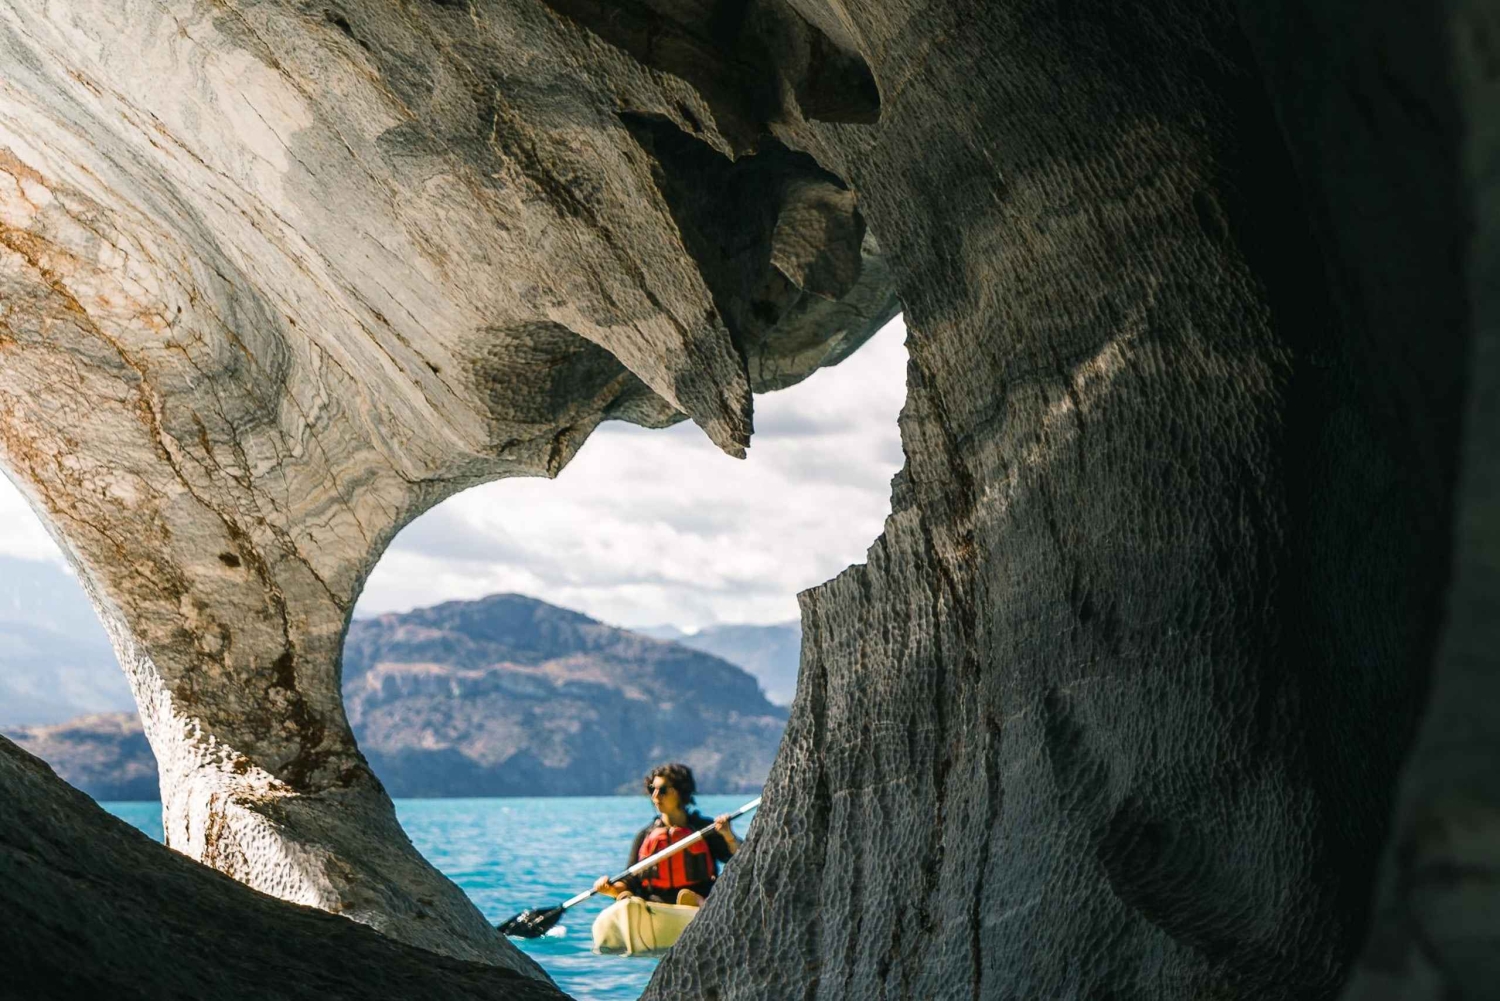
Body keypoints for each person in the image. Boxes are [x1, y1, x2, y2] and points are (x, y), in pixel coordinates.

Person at [593, 763, 739, 907]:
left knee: (694, 898)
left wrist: (728, 835)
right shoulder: (644, 836)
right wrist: (610, 889)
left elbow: (739, 857)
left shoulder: (705, 829)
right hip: (656, 904)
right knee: (627, 898)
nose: (655, 796)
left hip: (697, 901)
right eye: (652, 789)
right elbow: (629, 880)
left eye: (662, 790)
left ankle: (695, 903)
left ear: (680, 791)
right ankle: (633, 905)